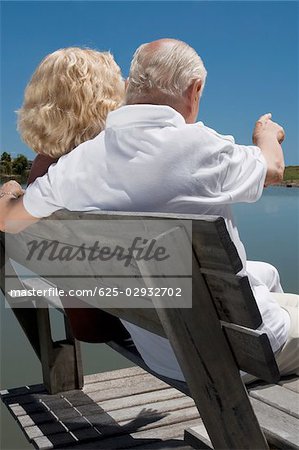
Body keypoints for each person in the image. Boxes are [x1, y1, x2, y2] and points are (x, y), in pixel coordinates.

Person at [1, 39, 298, 382]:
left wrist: (12, 192)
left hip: (160, 337)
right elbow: (272, 170)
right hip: (208, 346)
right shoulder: (186, 148)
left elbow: (9, 217)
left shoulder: (69, 171)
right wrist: (266, 135)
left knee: (265, 279)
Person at [3, 46, 128, 343]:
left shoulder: (44, 168)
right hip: (134, 325)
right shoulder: (116, 162)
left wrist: (10, 189)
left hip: (88, 321)